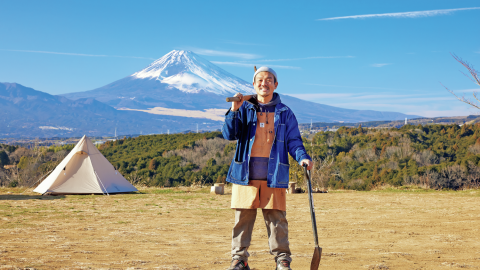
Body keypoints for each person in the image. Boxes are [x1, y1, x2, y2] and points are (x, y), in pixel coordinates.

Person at [222, 66, 313, 270]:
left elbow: (294, 141)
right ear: (254, 85)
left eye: (269, 80)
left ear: (276, 84)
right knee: (242, 221)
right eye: (260, 80)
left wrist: (303, 158)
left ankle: (282, 260)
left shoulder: (284, 112)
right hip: (245, 174)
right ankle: (239, 260)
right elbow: (229, 134)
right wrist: (234, 110)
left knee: (277, 220)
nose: (264, 83)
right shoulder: (244, 108)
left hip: (274, 175)